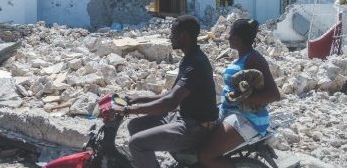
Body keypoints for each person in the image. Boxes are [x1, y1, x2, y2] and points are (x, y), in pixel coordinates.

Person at [113, 15, 219, 168]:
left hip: (196, 127)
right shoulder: (189, 58)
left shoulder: (196, 63)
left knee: (136, 144)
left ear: (184, 35)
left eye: (173, 33)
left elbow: (170, 103)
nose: (170, 37)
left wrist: (129, 109)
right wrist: (136, 99)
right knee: (135, 126)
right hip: (183, 117)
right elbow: (170, 95)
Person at [198, 19, 281, 168]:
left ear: (237, 38)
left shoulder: (254, 58)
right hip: (232, 114)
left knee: (205, 156)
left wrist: (241, 99)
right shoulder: (243, 57)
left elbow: (274, 94)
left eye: (230, 33)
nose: (228, 37)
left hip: (247, 119)